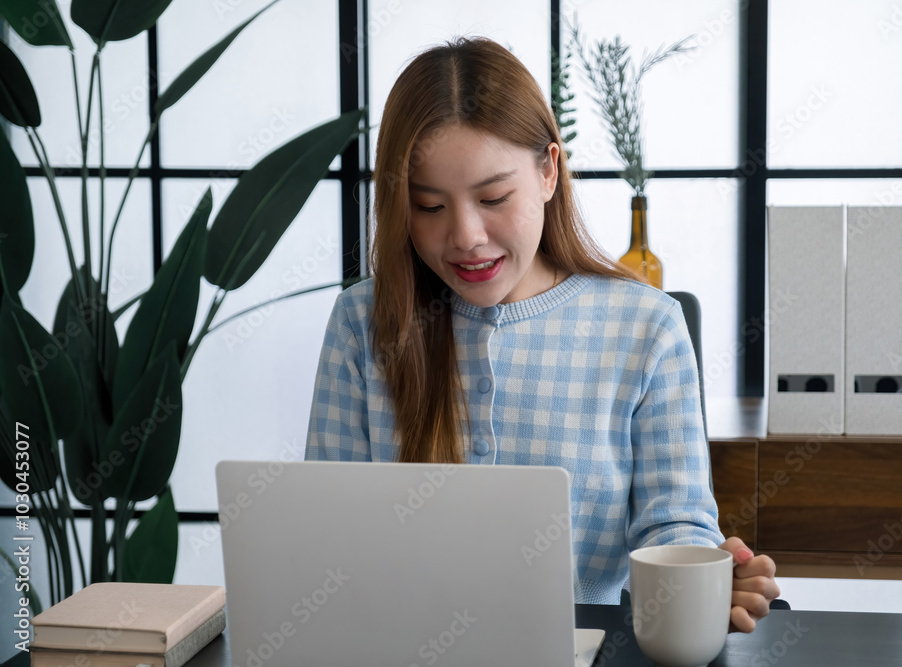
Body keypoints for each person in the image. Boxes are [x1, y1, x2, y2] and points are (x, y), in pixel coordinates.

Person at [305, 36, 779, 632]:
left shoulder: (647, 327)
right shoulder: (362, 322)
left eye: (494, 197)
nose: (466, 236)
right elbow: (325, 535)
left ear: (549, 171)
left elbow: (674, 523)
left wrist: (707, 576)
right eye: (429, 207)